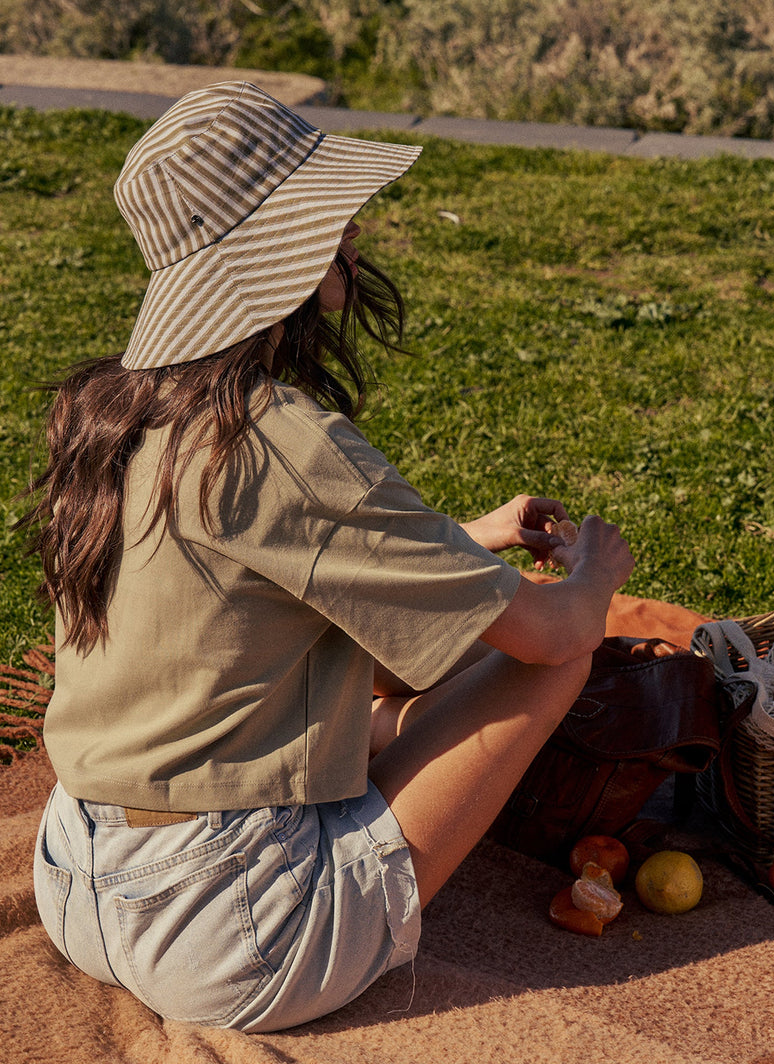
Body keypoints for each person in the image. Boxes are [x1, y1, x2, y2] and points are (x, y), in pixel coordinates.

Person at [23, 82, 634, 1033]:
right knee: (557, 659)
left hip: (76, 875)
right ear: (275, 248)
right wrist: (596, 574)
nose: (353, 230)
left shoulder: (113, 411)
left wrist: (468, 542)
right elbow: (550, 634)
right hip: (231, 931)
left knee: (393, 687)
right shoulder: (275, 441)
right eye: (330, 212)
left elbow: (240, 576)